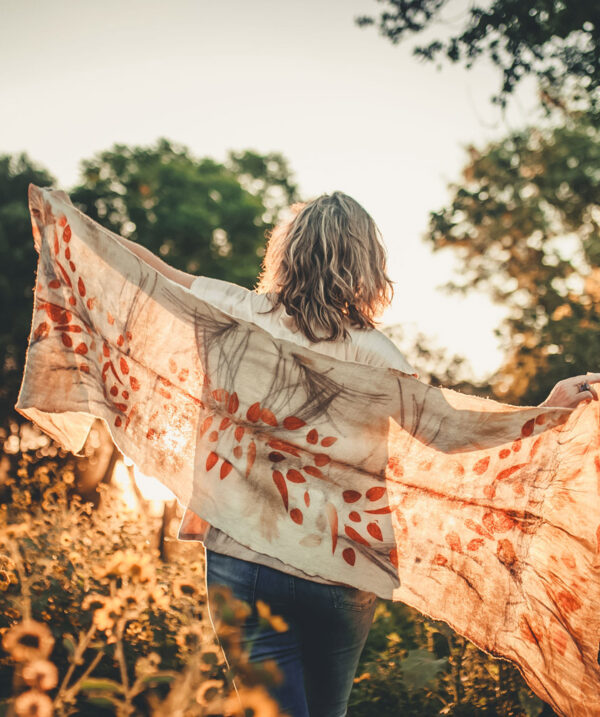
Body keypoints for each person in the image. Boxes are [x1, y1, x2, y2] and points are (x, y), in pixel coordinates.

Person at [114, 191, 598, 716]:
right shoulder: (376, 354)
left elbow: (150, 271)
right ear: (367, 265)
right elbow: (447, 434)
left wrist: (70, 220)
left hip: (242, 561)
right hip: (339, 571)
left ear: (287, 253)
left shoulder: (237, 310)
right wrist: (546, 411)